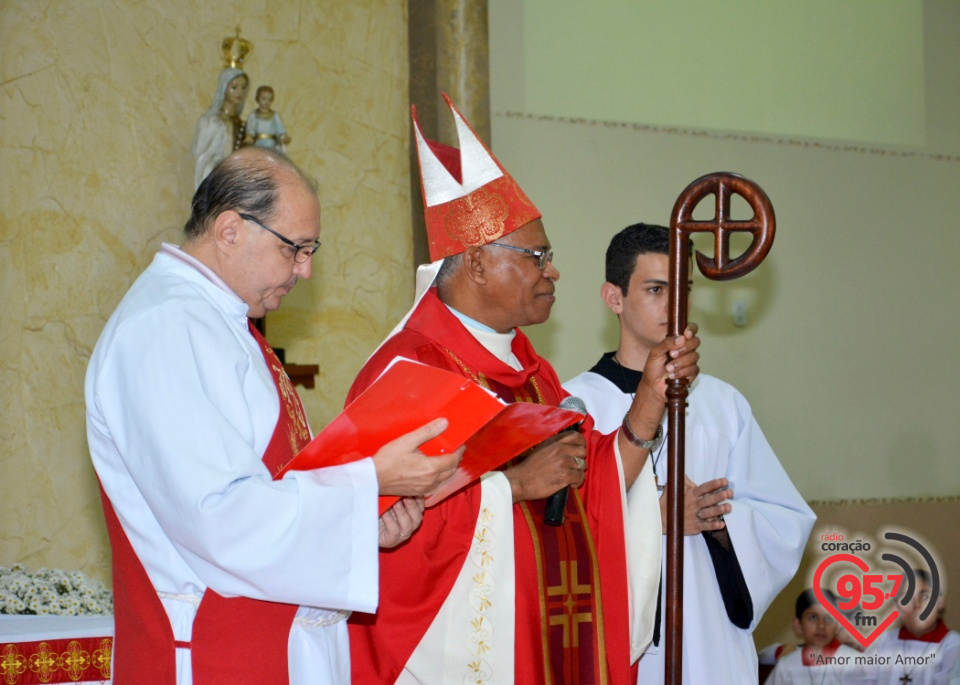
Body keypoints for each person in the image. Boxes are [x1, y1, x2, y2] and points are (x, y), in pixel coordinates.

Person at [345, 95, 696, 684]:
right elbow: (377, 527)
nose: (553, 272)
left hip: (543, 647)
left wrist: (650, 400)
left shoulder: (532, 371)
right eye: (539, 256)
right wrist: (511, 487)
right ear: (478, 263)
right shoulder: (411, 371)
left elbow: (590, 488)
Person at [86, 147, 461, 685]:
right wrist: (368, 481)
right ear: (230, 230)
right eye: (296, 249)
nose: (305, 271)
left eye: (311, 251)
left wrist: (363, 517)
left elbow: (267, 485)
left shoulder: (221, 325)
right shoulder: (165, 327)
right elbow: (218, 517)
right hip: (213, 651)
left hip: (270, 645)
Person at [563, 223, 816, 684]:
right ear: (613, 298)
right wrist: (648, 516)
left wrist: (721, 523)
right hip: (616, 645)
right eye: (656, 289)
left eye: (683, 290)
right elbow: (553, 535)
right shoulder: (574, 405)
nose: (674, 305)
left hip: (709, 641)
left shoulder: (724, 404)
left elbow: (785, 519)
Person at [866, 569, 959, 684]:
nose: (917, 605)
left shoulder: (952, 644)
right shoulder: (885, 640)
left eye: (924, 597)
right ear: (895, 607)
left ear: (940, 602)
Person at [768, 589, 863, 685]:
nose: (821, 625)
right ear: (798, 625)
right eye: (813, 617)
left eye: (829, 618)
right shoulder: (786, 666)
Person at [192, 67, 249, 188]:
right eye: (234, 87)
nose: (239, 92)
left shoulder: (243, 126)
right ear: (224, 88)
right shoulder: (210, 122)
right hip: (216, 183)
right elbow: (201, 157)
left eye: (243, 87)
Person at [244, 85, 291, 154]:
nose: (267, 102)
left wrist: (283, 138)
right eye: (264, 99)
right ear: (257, 99)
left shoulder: (275, 116)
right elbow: (250, 129)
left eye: (269, 99)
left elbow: (280, 130)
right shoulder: (253, 115)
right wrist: (249, 137)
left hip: (273, 146)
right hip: (258, 146)